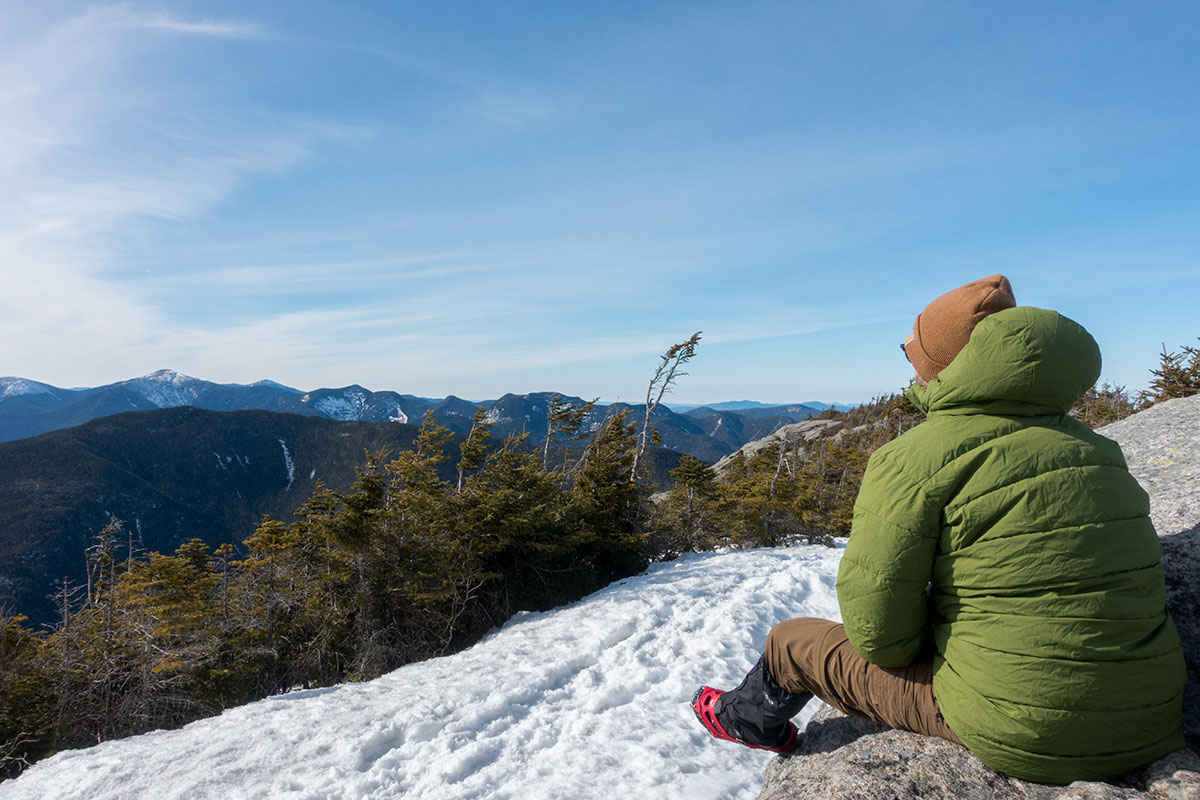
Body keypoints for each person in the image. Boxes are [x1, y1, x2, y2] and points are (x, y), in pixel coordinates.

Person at [692, 275, 1187, 784]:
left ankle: (746, 720)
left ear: (943, 365)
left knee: (791, 640)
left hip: (1029, 729)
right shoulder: (1098, 451)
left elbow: (881, 639)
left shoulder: (915, 458)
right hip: (1153, 713)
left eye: (913, 356)